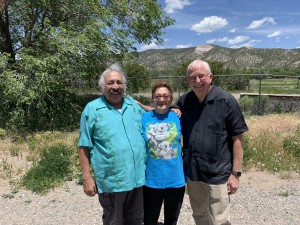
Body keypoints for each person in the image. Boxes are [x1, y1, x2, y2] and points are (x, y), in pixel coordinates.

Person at [173, 59, 248, 225]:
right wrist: (173, 109)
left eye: (201, 76)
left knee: (220, 219)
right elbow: (167, 112)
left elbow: (237, 138)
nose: (197, 81)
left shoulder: (226, 100)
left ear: (210, 77)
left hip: (218, 172)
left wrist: (235, 174)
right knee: (199, 215)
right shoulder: (185, 101)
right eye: (192, 77)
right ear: (188, 80)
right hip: (194, 172)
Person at [78, 63, 146, 225]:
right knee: (114, 220)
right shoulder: (92, 109)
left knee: (136, 219)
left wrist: (172, 109)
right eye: (110, 83)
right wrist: (87, 178)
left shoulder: (133, 106)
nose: (115, 86)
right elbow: (83, 145)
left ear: (124, 86)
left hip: (138, 178)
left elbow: (153, 116)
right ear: (102, 87)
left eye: (119, 82)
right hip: (112, 181)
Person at [142, 81, 185, 225]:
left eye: (165, 96)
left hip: (175, 179)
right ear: (153, 98)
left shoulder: (178, 117)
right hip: (151, 180)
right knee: (149, 220)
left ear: (171, 99)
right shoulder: (144, 118)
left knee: (171, 220)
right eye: (158, 96)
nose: (161, 99)